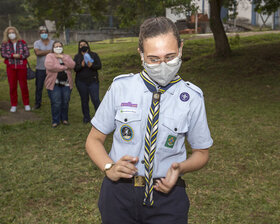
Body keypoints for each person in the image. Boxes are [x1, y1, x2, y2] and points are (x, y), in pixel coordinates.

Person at [85, 17, 213, 224]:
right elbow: (93, 140)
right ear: (141, 55)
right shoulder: (121, 88)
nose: (163, 65)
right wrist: (109, 168)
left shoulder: (192, 97)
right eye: (154, 59)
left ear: (181, 48)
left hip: (167, 198)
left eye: (170, 57)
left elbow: (202, 153)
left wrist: (180, 167)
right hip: (118, 196)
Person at [44, 41, 75, 128]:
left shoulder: (66, 56)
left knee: (65, 102)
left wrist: (62, 57)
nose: (58, 48)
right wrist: (65, 67)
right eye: (56, 46)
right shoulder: (49, 56)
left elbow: (72, 65)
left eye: (60, 46)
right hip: (54, 84)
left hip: (66, 84)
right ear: (53, 48)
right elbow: (50, 66)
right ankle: (55, 120)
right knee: (56, 102)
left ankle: (64, 119)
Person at [1, 26, 31, 112]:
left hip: (21, 66)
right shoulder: (4, 43)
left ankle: (26, 104)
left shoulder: (22, 42)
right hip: (10, 67)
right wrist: (12, 56)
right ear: (7, 34)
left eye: (12, 32)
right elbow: (3, 54)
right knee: (12, 86)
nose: (11, 34)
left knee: (23, 86)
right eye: (9, 33)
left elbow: (27, 53)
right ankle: (13, 104)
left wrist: (20, 56)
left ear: (16, 33)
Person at [74, 40, 102, 123]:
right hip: (81, 82)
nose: (83, 46)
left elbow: (99, 66)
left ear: (88, 45)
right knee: (84, 100)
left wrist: (92, 65)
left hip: (93, 81)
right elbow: (75, 68)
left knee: (96, 99)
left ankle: (100, 118)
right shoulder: (77, 57)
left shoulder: (94, 55)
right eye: (81, 45)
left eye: (84, 44)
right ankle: (86, 118)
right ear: (79, 47)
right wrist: (81, 66)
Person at [33, 26, 54, 109]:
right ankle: (37, 103)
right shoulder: (36, 43)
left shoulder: (53, 42)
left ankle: (54, 102)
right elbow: (37, 53)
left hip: (52, 68)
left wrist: (43, 52)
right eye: (42, 33)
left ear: (48, 33)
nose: (44, 34)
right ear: (39, 34)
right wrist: (50, 51)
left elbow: (56, 52)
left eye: (45, 32)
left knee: (53, 86)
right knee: (39, 87)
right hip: (40, 68)